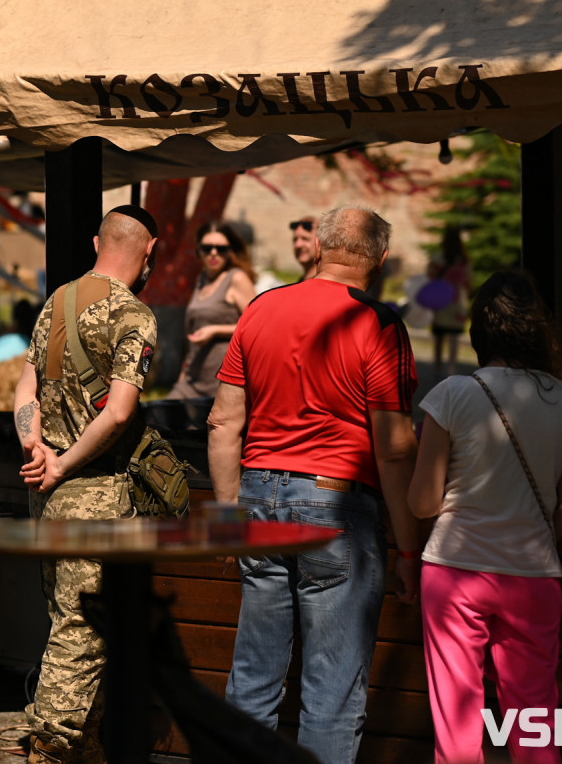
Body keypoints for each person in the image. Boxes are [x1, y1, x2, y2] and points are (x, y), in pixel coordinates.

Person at [207, 206, 421, 764]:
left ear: (321, 247)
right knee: (331, 692)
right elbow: (395, 449)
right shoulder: (378, 322)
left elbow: (223, 423)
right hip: (336, 505)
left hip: (257, 499)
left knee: (252, 679)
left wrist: (227, 518)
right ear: (379, 258)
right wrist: (409, 547)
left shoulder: (260, 308)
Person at [407, 271, 562, 764]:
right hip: (534, 576)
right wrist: (534, 536)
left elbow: (423, 503)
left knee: (458, 720)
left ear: (479, 330)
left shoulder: (451, 394)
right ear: (539, 330)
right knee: (535, 720)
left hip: (454, 569)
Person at [13, 205, 159, 764]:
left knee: (65, 615)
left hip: (45, 492)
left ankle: (88, 747)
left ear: (98, 240)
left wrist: (37, 451)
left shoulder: (59, 301)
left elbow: (24, 388)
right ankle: (50, 747)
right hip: (93, 491)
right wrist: (66, 462)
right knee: (82, 628)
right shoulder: (135, 316)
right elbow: (120, 413)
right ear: (151, 251)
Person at [165, 222, 256, 400]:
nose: (213, 253)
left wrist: (215, 331)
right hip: (191, 380)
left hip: (223, 382)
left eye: (221, 248)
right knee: (161, 419)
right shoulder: (202, 280)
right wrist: (183, 373)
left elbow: (257, 325)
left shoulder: (236, 279)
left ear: (230, 251)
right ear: (199, 251)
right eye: (207, 248)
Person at [428, 227, 471, 378]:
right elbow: (468, 282)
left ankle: (437, 367)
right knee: (454, 338)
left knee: (439, 336)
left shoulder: (438, 258)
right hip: (457, 303)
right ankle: (452, 368)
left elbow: (430, 277)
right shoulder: (463, 261)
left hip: (441, 301)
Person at [290, 216, 319, 281]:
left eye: (305, 239)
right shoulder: (301, 281)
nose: (298, 245)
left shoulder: (323, 283)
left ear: (320, 244)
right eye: (295, 240)